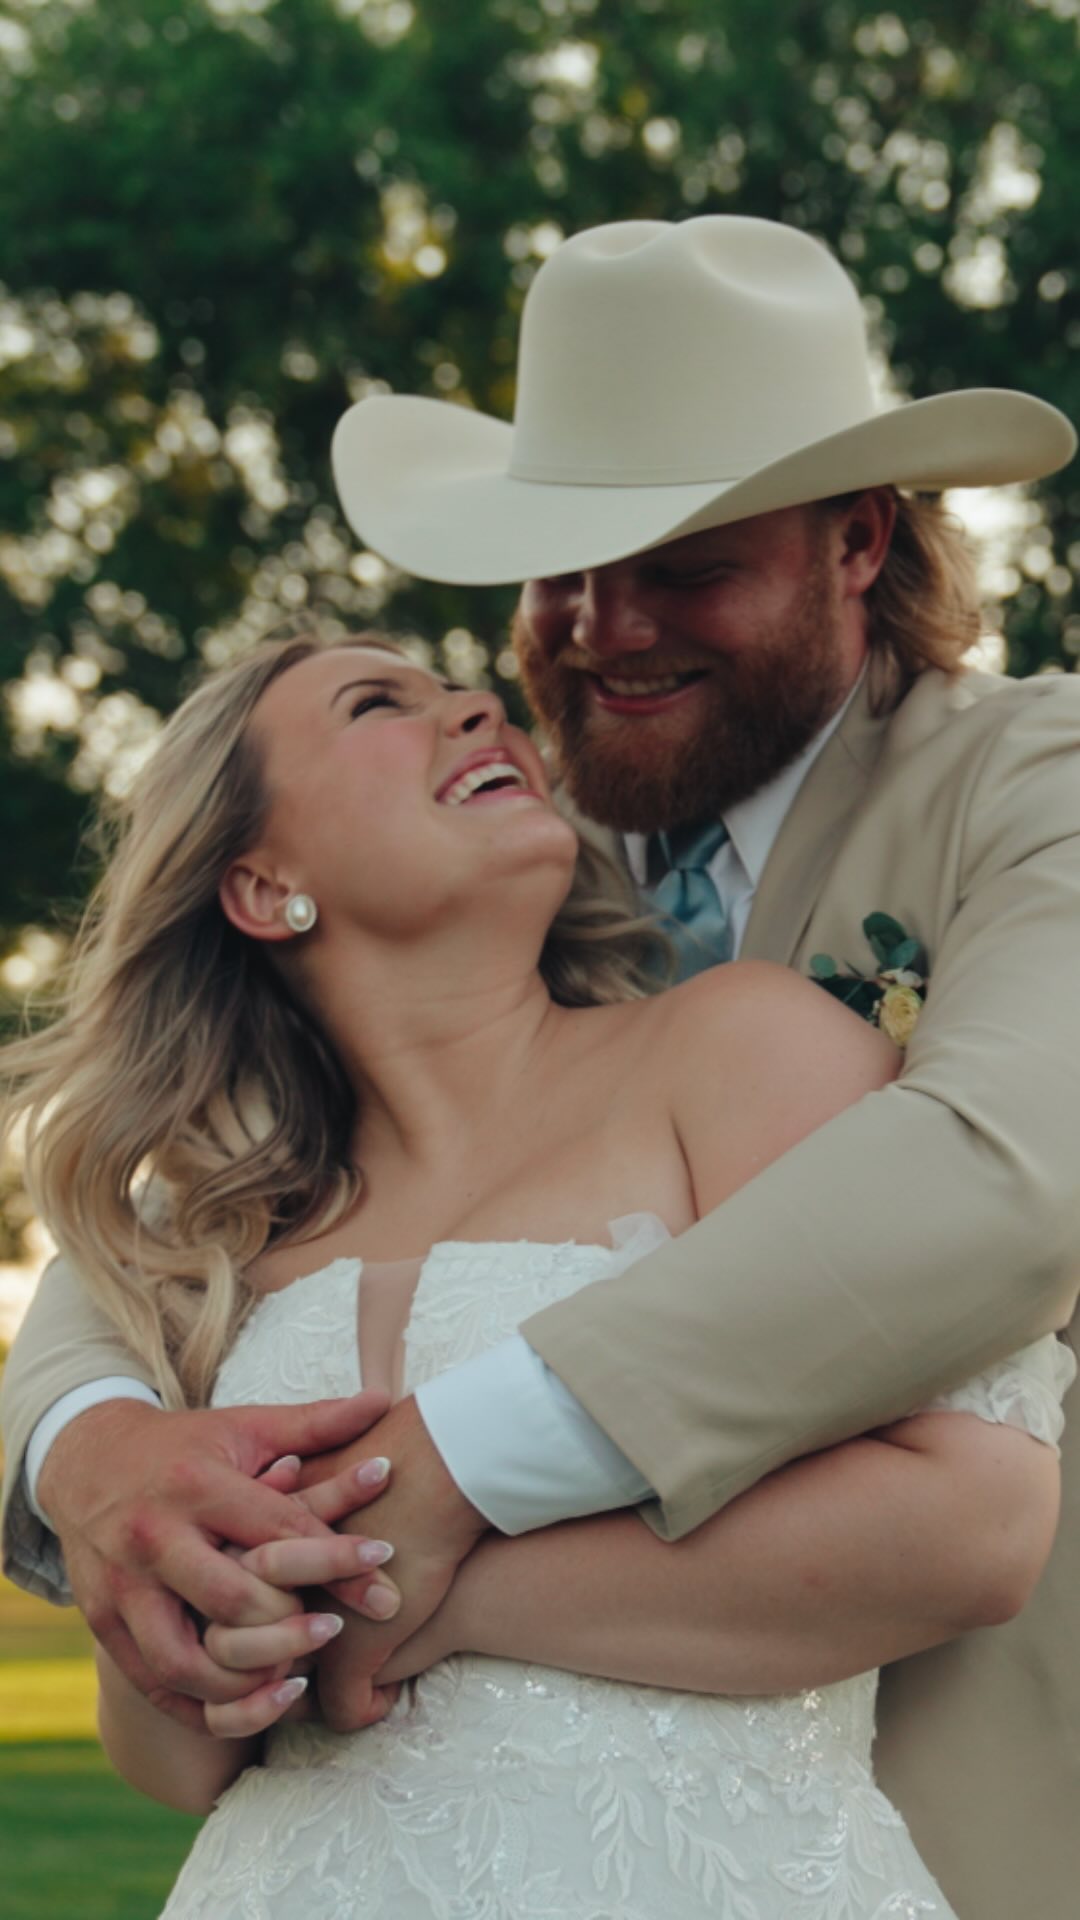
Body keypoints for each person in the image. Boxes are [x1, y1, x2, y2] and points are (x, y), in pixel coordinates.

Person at [3, 214, 1080, 1913]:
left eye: (682, 564)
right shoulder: (515, 850)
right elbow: (174, 1212)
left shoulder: (1036, 784)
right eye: (559, 568)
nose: (596, 631)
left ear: (859, 539)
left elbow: (1007, 1183)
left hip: (932, 1786)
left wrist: (440, 1487)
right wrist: (95, 1443)